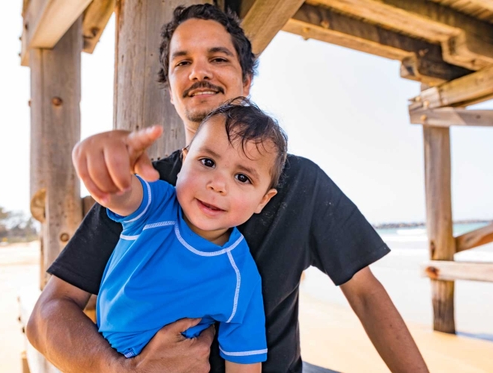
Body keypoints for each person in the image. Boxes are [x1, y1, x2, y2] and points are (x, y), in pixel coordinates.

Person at [26, 4, 429, 373]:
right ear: (170, 88)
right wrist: (120, 370)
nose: (199, 71)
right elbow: (47, 315)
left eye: (217, 58)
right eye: (182, 62)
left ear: (246, 78)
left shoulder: (301, 183)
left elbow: (366, 294)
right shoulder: (147, 189)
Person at [86, 98, 287, 372]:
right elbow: (120, 192)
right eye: (207, 161)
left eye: (242, 178)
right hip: (103, 361)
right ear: (183, 161)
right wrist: (107, 160)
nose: (217, 184)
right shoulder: (156, 206)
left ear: (263, 200)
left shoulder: (241, 276)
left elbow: (244, 361)